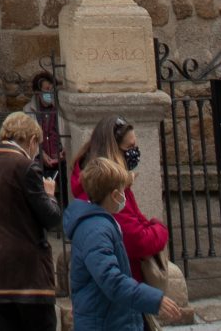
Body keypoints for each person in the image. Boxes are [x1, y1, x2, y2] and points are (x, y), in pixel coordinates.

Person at [65, 156, 185, 330]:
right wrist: (153, 299)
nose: (125, 196)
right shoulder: (97, 230)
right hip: (105, 321)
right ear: (115, 195)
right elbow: (111, 279)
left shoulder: (99, 223)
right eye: (123, 191)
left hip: (108, 317)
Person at [0, 110, 61, 331]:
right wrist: (50, 194)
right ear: (31, 140)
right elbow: (51, 219)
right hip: (27, 275)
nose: (36, 151)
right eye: (37, 145)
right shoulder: (25, 167)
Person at [67, 117, 171, 296]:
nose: (134, 152)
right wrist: (160, 228)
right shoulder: (108, 193)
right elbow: (137, 240)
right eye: (129, 148)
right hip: (123, 290)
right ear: (113, 150)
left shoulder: (102, 186)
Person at [23, 71, 66, 202]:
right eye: (47, 89)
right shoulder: (28, 110)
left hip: (59, 158)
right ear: (38, 92)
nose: (50, 93)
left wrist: (63, 151)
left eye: (52, 89)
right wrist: (41, 153)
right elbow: (27, 139)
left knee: (65, 180)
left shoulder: (60, 108)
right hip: (39, 158)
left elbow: (65, 133)